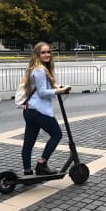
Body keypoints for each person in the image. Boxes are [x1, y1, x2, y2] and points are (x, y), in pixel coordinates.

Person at [22, 42, 70, 176]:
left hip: (30, 110)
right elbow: (43, 92)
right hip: (39, 111)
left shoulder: (36, 68)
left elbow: (42, 88)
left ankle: (27, 171)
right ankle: (42, 164)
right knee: (57, 135)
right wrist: (58, 91)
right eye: (43, 52)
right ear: (37, 54)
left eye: (48, 52)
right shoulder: (40, 70)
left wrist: (58, 87)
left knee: (29, 143)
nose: (47, 54)